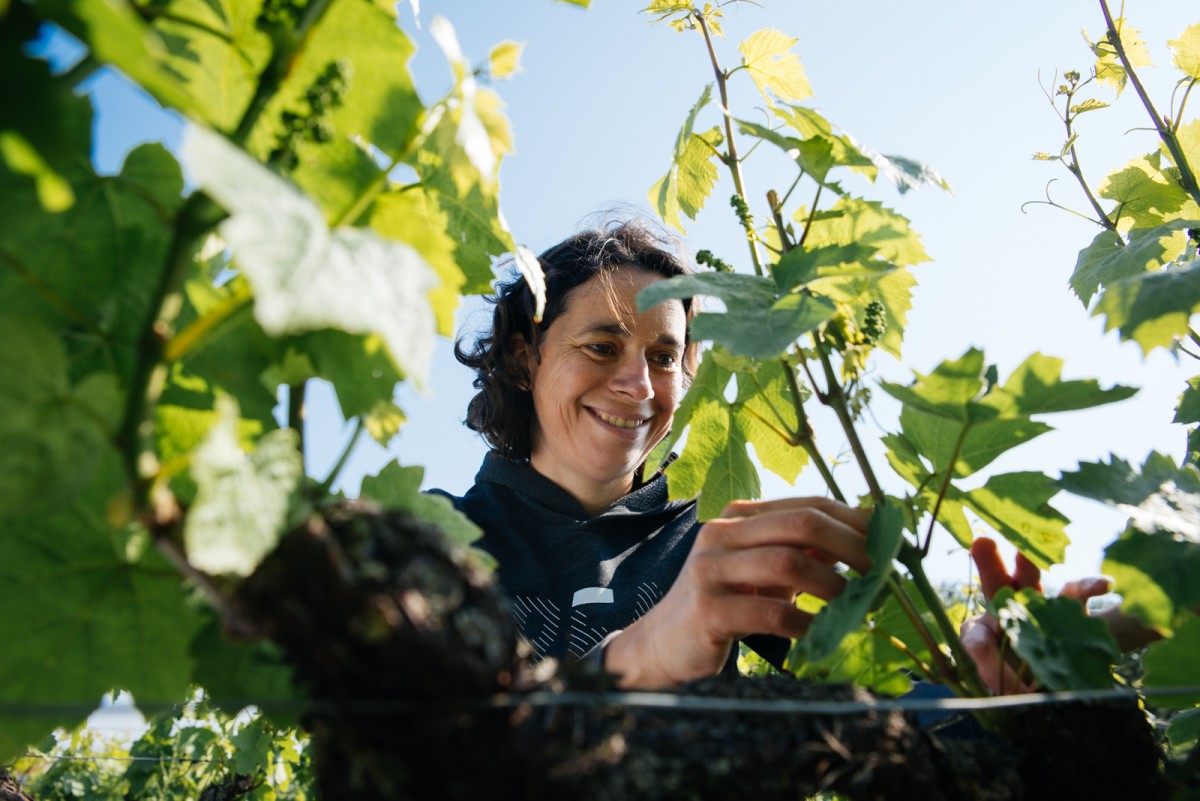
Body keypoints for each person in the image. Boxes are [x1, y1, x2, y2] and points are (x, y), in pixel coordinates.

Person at [433, 220, 871, 690]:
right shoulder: (437, 536)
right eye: (602, 348)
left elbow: (884, 689)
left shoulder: (716, 534)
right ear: (524, 360)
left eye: (663, 358)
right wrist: (637, 657)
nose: (640, 386)